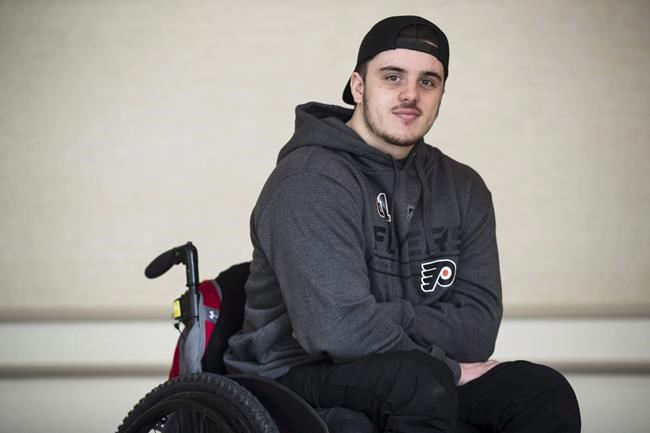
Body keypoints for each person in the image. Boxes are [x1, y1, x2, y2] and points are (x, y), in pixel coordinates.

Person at [224, 15, 581, 433]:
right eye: (392, 77)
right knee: (416, 383)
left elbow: (478, 333)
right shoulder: (310, 181)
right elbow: (336, 330)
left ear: (442, 92)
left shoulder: (463, 188)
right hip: (292, 375)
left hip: (415, 373)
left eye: (428, 81)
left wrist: (384, 317)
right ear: (359, 86)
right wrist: (447, 366)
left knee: (540, 391)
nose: (411, 94)